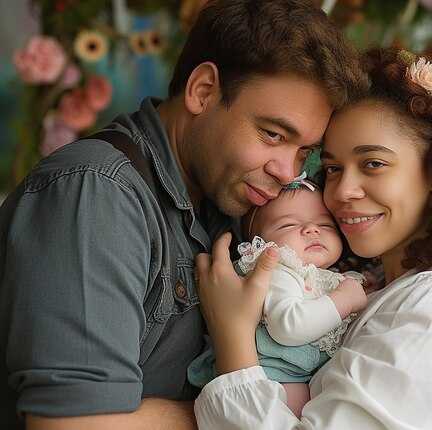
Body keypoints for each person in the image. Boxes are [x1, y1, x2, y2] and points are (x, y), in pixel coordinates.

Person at [0, 1, 369, 428]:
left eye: (303, 151)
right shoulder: (96, 194)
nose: (287, 172)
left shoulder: (235, 199)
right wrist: (248, 408)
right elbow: (72, 426)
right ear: (203, 90)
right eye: (272, 134)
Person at [192, 46, 432, 429]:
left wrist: (233, 337)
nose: (342, 191)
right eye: (333, 168)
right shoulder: (389, 288)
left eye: (373, 163)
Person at [187, 176, 368, 417]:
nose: (311, 229)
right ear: (258, 244)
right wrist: (344, 300)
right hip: (269, 376)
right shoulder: (280, 270)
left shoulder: (309, 276)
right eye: (288, 225)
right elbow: (288, 325)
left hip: (286, 375)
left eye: (325, 224)